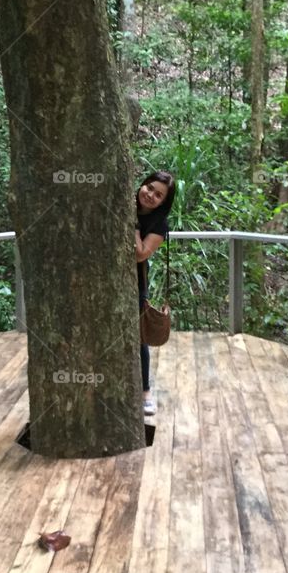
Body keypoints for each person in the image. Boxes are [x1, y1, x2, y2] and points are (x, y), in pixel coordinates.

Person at [135, 170, 176, 415]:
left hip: (135, 280)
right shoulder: (125, 202)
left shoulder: (159, 224)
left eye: (158, 195)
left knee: (139, 336)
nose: (150, 195)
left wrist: (132, 225)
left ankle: (145, 391)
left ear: (163, 202)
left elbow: (140, 253)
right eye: (149, 188)